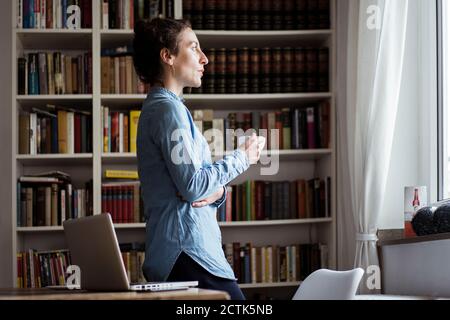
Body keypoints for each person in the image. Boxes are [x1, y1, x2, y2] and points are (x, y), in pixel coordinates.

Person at [132, 18, 261, 300]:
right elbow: (192, 185)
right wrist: (243, 157)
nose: (205, 58)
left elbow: (192, 186)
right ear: (168, 56)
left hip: (179, 253)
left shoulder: (164, 108)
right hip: (189, 252)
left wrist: (216, 191)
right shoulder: (168, 111)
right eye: (194, 48)